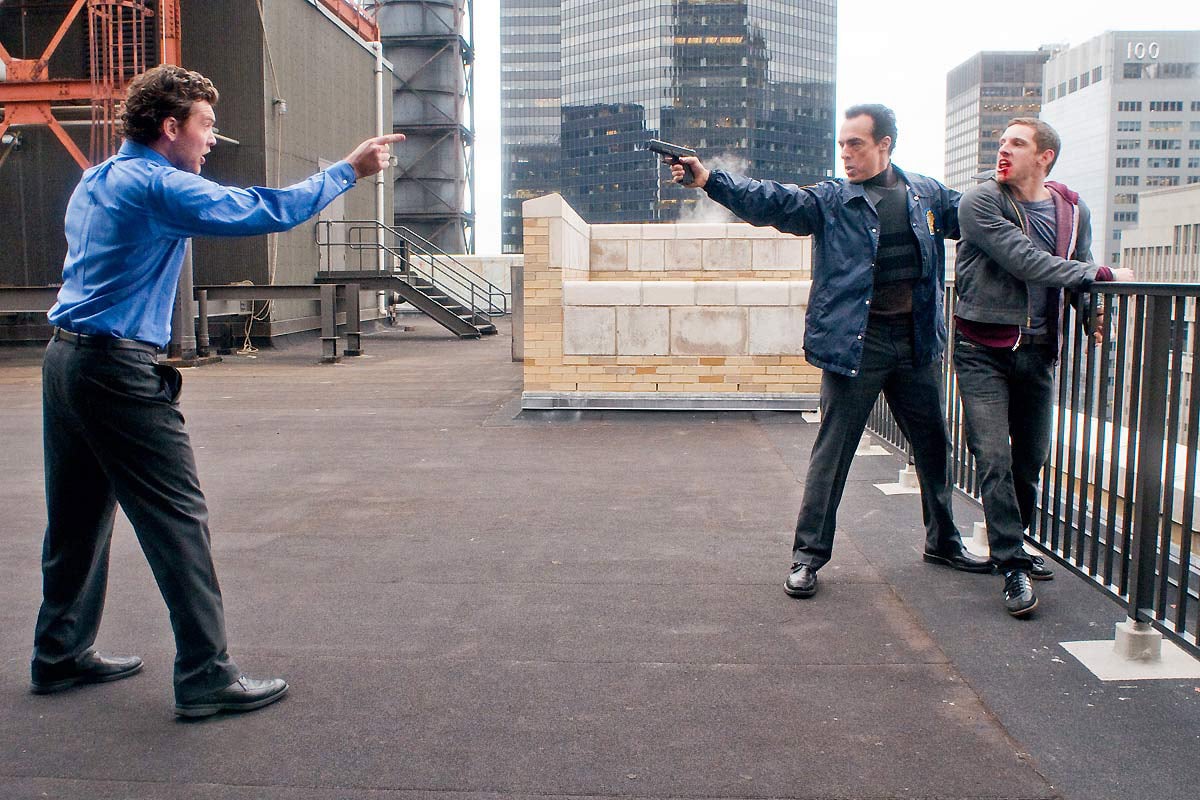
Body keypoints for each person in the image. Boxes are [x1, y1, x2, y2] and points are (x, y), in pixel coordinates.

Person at [31, 64, 403, 716]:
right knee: (178, 520)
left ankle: (59, 652)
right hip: (116, 370)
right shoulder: (157, 186)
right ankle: (206, 674)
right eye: (204, 125)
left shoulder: (97, 179)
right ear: (170, 128)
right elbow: (264, 210)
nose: (212, 139)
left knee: (77, 518)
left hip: (66, 363)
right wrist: (349, 170)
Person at [667, 104, 990, 599]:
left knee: (934, 447)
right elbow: (771, 201)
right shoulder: (832, 199)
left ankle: (943, 540)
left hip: (916, 342)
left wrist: (1036, 193)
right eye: (842, 144)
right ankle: (808, 557)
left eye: (855, 144)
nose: (845, 153)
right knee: (832, 455)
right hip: (857, 343)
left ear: (885, 145)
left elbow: (978, 217)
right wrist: (709, 179)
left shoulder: (927, 194)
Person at [953, 117, 1133, 617]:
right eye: (1002, 141)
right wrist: (1103, 274)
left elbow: (1075, 267)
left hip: (1037, 350)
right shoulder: (981, 201)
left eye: (1016, 143)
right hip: (983, 347)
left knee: (1030, 460)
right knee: (993, 458)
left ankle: (1015, 543)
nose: (1003, 150)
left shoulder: (1072, 210)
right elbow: (1027, 261)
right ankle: (1010, 563)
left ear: (1044, 156)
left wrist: (1093, 312)